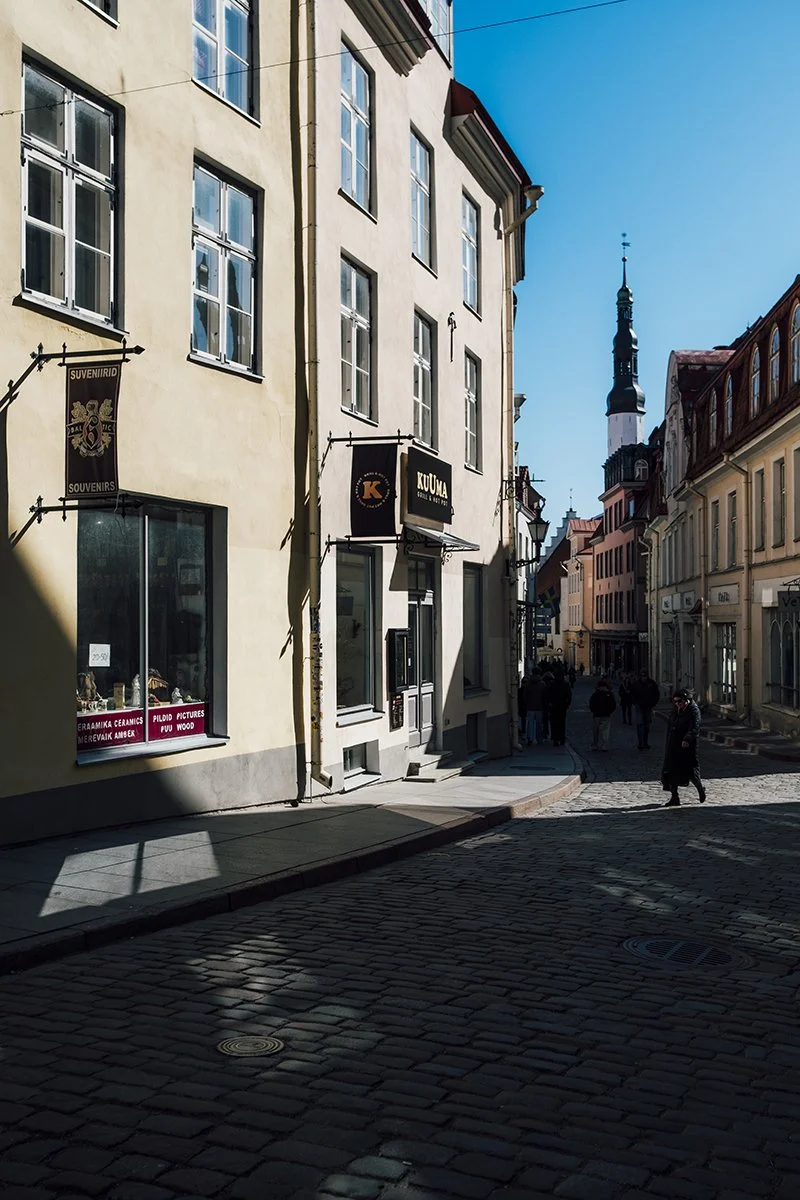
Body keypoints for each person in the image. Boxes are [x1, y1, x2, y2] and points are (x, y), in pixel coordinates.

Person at [661, 689, 706, 807]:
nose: (677, 704)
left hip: (687, 746)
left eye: (679, 701)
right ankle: (674, 797)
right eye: (675, 701)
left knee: (690, 770)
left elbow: (694, 727)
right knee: (670, 771)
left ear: (686, 700)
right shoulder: (675, 709)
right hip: (673, 744)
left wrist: (687, 738)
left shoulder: (693, 710)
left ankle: (700, 788)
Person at [631, 668, 660, 749]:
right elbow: (632, 693)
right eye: (642, 675)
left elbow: (656, 694)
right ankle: (640, 743)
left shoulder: (651, 683)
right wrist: (635, 702)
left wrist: (653, 704)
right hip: (639, 706)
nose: (643, 677)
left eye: (644, 675)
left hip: (648, 706)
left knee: (646, 725)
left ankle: (645, 742)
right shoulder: (636, 684)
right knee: (640, 724)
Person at [545, 669, 572, 746]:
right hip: (562, 706)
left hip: (554, 706)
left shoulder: (552, 684)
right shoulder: (565, 684)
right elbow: (569, 695)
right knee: (561, 723)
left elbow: (548, 695)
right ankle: (562, 738)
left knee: (554, 723)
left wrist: (549, 703)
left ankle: (555, 739)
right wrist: (567, 704)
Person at [589, 678, 616, 751]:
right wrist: (609, 711)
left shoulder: (595, 694)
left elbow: (591, 704)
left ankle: (596, 744)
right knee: (605, 731)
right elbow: (613, 705)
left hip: (597, 715)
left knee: (596, 730)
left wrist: (594, 711)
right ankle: (604, 745)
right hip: (605, 715)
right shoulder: (609, 694)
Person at [523, 669, 546, 746]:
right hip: (540, 706)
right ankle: (539, 739)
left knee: (530, 723)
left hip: (530, 706)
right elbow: (545, 696)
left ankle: (530, 738)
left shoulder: (528, 683)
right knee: (539, 724)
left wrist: (526, 704)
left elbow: (525, 696)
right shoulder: (542, 684)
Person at [518, 674, 528, 742]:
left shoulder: (519, 690)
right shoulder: (527, 690)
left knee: (523, 720)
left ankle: (523, 733)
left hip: (523, 707)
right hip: (524, 707)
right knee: (524, 720)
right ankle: (524, 733)